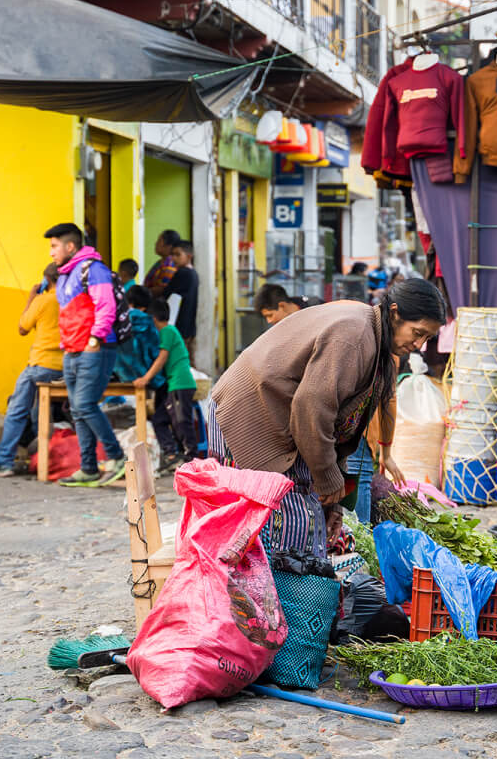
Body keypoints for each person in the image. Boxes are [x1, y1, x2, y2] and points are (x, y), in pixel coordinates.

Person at [208, 277, 446, 559]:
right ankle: (259, 585)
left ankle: (272, 585)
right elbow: (311, 408)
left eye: (427, 338)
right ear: (394, 313)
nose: (419, 344)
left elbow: (339, 424)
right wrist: (327, 480)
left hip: (288, 422)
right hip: (248, 413)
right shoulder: (354, 336)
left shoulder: (376, 342)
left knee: (305, 527)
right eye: (417, 333)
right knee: (286, 530)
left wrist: (334, 497)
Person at [45, 223, 125, 485]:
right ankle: (88, 467)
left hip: (95, 348)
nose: (51, 252)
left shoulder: (94, 269)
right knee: (77, 410)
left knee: (84, 405)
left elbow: (106, 306)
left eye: (54, 246)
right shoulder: (65, 275)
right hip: (72, 350)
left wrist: (94, 338)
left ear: (70, 247)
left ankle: (116, 456)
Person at [0, 264, 64, 477]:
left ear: (46, 280)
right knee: (39, 411)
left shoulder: (43, 300)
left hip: (41, 365)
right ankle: (42, 456)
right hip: (66, 367)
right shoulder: (71, 299)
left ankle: (4, 461)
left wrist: (31, 297)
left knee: (16, 410)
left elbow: (22, 327)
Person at [135, 297, 199, 474]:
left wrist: (146, 378)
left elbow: (162, 358)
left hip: (180, 384)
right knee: (159, 420)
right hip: (173, 384)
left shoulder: (167, 331)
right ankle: (172, 455)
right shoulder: (167, 332)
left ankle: (191, 459)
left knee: (182, 421)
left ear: (153, 318)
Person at [114, 285, 164, 389]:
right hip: (144, 378)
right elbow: (155, 353)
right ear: (144, 307)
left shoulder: (113, 319)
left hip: (118, 376)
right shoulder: (146, 322)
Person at [163, 239, 200, 358]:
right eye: (172, 254)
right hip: (189, 325)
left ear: (189, 256)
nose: (173, 258)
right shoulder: (193, 273)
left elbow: (166, 293)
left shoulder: (182, 273)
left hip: (180, 323)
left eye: (178, 254)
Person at [144, 229, 181, 297]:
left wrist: (142, 293)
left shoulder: (170, 265)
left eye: (159, 241)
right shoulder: (161, 262)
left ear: (169, 246)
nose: (156, 243)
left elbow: (162, 289)